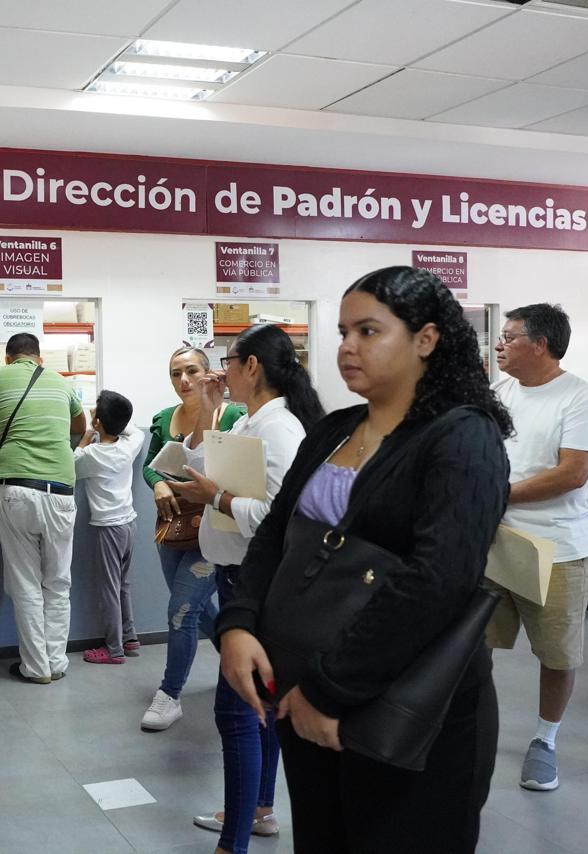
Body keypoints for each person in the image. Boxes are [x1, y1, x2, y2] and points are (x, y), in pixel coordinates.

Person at [218, 266, 512, 853]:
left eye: (368, 331)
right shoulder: (334, 429)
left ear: (425, 339)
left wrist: (329, 690)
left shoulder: (462, 438)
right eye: (343, 332)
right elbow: (276, 533)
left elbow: (437, 581)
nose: (347, 347)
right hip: (302, 693)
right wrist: (239, 622)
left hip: (403, 708)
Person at [168, 325, 324, 854]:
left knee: (236, 714)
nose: (219, 371)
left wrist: (217, 500)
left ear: (251, 366)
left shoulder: (278, 429)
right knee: (257, 709)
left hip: (258, 587)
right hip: (239, 576)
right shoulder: (250, 420)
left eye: (228, 361)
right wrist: (210, 411)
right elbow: (201, 467)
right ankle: (257, 811)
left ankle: (232, 843)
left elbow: (281, 517)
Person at [487, 303, 588, 791]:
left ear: (540, 345)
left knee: (557, 654)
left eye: (509, 336)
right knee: (472, 641)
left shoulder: (581, 398)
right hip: (496, 543)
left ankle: (545, 740)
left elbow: (572, 473)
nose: (500, 345)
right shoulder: (499, 392)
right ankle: (469, 724)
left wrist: (496, 494)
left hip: (557, 550)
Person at [140, 347, 243, 731]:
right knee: (193, 607)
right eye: (175, 373)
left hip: (214, 528)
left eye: (191, 371)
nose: (183, 380)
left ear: (208, 373)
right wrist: (158, 485)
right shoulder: (164, 418)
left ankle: (169, 695)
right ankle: (233, 657)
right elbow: (150, 467)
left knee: (180, 610)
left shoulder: (232, 417)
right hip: (175, 527)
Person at [0, 332, 86, 684]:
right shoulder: (60, 381)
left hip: (17, 488)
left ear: (8, 358)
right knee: (58, 582)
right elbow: (80, 426)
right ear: (40, 359)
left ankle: (36, 667)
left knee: (25, 582)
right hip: (62, 490)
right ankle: (56, 663)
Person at [74, 390, 146, 665]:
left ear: (98, 422)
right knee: (122, 584)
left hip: (108, 528)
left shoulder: (92, 454)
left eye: (95, 410)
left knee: (109, 589)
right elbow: (135, 431)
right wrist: (111, 424)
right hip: (129, 524)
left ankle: (114, 649)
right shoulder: (128, 446)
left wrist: (84, 439)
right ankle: (129, 636)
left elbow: (70, 466)